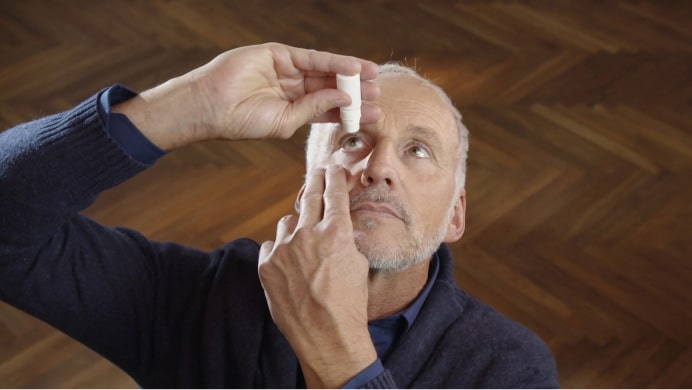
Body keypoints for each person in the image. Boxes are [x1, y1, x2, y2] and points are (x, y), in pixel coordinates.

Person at [0, 42, 559, 388]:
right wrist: (183, 107)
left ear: (455, 215)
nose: (379, 167)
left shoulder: (510, 368)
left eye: (418, 150)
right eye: (353, 140)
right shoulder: (199, 302)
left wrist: (337, 357)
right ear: (307, 187)